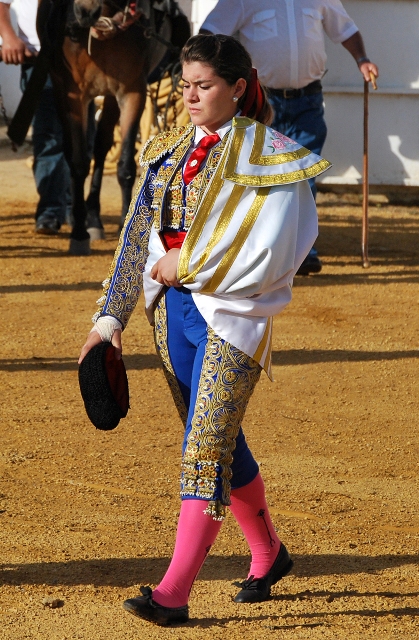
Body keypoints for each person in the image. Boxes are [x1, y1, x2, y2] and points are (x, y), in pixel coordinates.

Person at [78, 33, 330, 626]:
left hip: (233, 316)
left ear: (238, 88)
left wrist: (185, 263)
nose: (190, 96)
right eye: (186, 84)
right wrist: (108, 317)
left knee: (204, 449)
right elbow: (137, 235)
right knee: (214, 436)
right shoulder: (165, 148)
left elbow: (278, 249)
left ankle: (173, 592)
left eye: (204, 86)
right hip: (173, 317)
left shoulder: (275, 156)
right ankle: (268, 553)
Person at [200, 0, 379, 275]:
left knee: (303, 174)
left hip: (308, 99)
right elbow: (209, 34)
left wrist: (362, 59)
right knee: (261, 175)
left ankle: (302, 252)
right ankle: (261, 251)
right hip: (262, 101)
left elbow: (346, 30)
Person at [0, 0, 71, 234]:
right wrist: (9, 37)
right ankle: (51, 210)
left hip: (79, 61)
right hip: (38, 60)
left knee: (81, 136)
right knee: (49, 137)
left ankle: (73, 205)